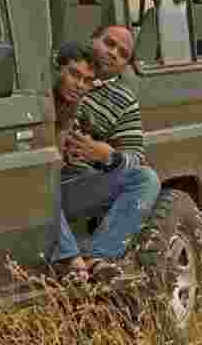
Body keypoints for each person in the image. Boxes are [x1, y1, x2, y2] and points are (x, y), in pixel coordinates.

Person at [54, 25, 161, 283]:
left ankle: (97, 257)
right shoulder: (58, 70)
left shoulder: (124, 100)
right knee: (39, 184)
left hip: (78, 185)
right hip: (44, 179)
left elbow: (135, 156)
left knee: (145, 179)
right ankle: (71, 259)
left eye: (123, 54)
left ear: (125, 66)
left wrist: (106, 155)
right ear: (93, 40)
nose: (113, 54)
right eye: (109, 43)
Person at [47, 40, 99, 282]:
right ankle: (72, 259)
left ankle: (93, 253)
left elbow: (57, 156)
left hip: (54, 171)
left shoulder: (73, 104)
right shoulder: (43, 95)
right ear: (58, 68)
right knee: (45, 188)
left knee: (90, 179)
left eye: (87, 80)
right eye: (74, 75)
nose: (80, 85)